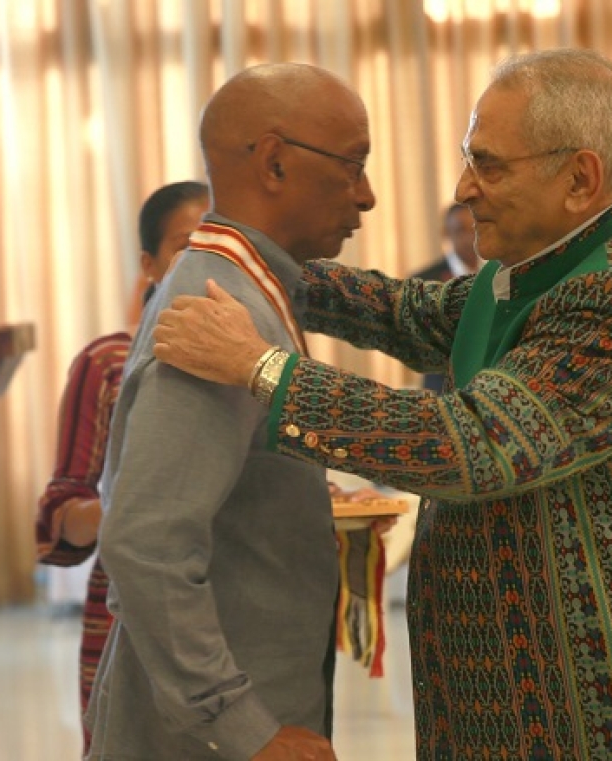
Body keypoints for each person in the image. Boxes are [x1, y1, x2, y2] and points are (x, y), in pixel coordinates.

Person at [152, 49, 612, 759]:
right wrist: (264, 263)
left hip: (610, 705)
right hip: (517, 697)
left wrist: (260, 367)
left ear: (580, 179)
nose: (466, 188)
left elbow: (467, 444)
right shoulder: (528, 275)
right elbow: (407, 312)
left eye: (490, 165)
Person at [85, 63, 375, 761]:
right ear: (274, 161)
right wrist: (246, 727)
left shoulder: (248, 285)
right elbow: (145, 542)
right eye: (353, 166)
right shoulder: (218, 309)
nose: (366, 196)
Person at [35, 180, 209, 754]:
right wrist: (133, 509)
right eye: (188, 243)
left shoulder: (264, 362)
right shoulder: (108, 362)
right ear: (149, 263)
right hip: (127, 615)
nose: (208, 259)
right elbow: (61, 507)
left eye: (222, 243)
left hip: (233, 608)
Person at [410, 202, 480, 391]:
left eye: (474, 229)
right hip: (442, 390)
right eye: (460, 230)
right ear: (446, 233)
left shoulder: (497, 275)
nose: (469, 237)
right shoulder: (424, 281)